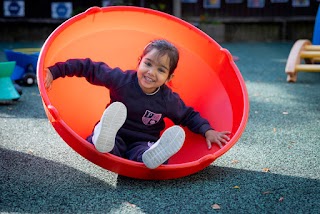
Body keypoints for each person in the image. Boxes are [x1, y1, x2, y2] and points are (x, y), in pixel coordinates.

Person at [44, 39, 231, 169]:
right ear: (139, 62)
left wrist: (207, 130)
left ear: (169, 77)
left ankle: (153, 155)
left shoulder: (167, 99)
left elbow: (187, 115)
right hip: (115, 134)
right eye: (148, 64)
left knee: (144, 153)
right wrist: (55, 71)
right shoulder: (121, 80)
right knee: (108, 143)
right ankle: (101, 136)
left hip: (142, 141)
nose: (151, 72)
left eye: (161, 69)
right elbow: (89, 67)